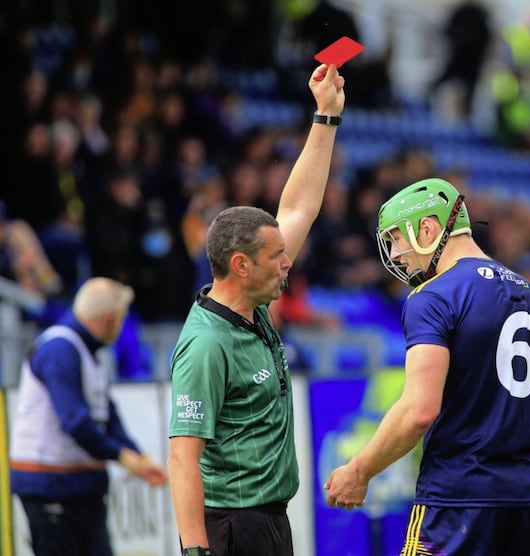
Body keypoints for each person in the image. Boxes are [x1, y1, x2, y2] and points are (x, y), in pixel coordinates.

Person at [324, 178, 530, 555]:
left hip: (457, 499)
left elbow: (419, 410)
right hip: (529, 503)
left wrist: (359, 471)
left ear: (427, 228)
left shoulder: (434, 296)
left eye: (395, 239)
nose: (395, 255)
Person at [167, 61, 345, 556]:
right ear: (242, 265)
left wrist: (325, 117)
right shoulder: (206, 344)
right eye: (277, 257)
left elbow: (299, 207)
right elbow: (183, 458)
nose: (289, 263)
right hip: (231, 530)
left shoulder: (254, 309)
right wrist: (196, 551)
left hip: (267, 522)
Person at [10, 277, 168, 556]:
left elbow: (106, 414)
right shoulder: (61, 350)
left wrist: (137, 457)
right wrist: (124, 457)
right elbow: (76, 421)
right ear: (110, 318)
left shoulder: (82, 350)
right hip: (53, 487)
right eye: (122, 319)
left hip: (74, 487)